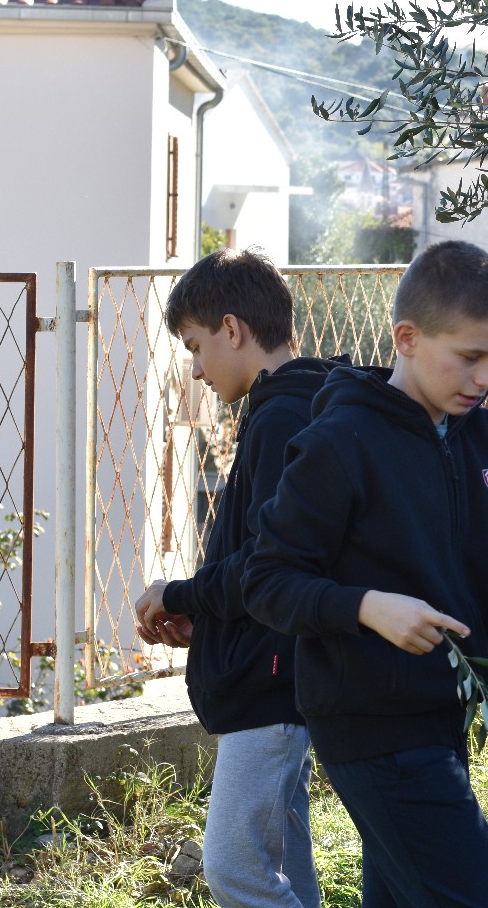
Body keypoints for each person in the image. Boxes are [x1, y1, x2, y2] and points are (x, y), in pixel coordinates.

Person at [240, 240, 488, 908]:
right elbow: (267, 580)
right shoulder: (339, 443)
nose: (486, 377)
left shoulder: (485, 438)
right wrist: (367, 606)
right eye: (469, 357)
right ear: (407, 339)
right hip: (371, 723)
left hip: (444, 716)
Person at [133, 247, 346, 908]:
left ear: (232, 329)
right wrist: (211, 621)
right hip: (273, 669)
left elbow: (268, 564)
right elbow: (271, 564)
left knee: (235, 870)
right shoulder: (290, 405)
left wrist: (177, 593)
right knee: (288, 873)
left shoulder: (282, 416)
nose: (196, 369)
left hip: (268, 686)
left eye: (196, 347)